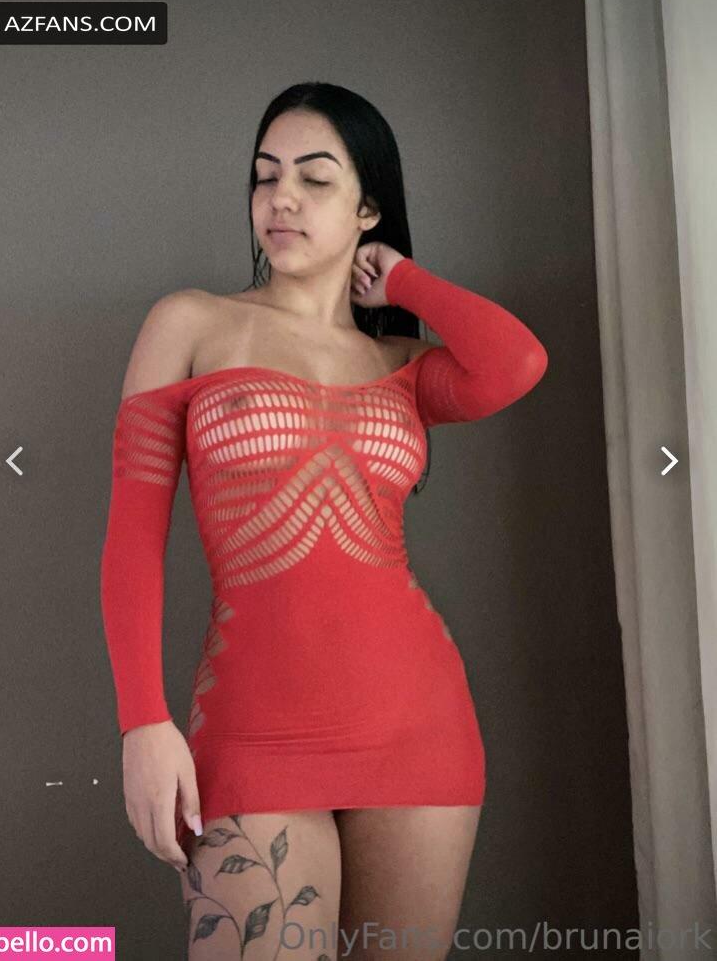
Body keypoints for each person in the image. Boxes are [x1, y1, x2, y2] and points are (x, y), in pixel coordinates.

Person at [100, 81, 548, 961]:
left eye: (314, 178)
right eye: (265, 176)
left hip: (419, 729)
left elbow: (518, 361)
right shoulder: (189, 324)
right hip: (254, 732)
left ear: (367, 207)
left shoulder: (401, 364)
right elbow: (132, 541)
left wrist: (401, 277)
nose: (282, 198)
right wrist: (142, 723)